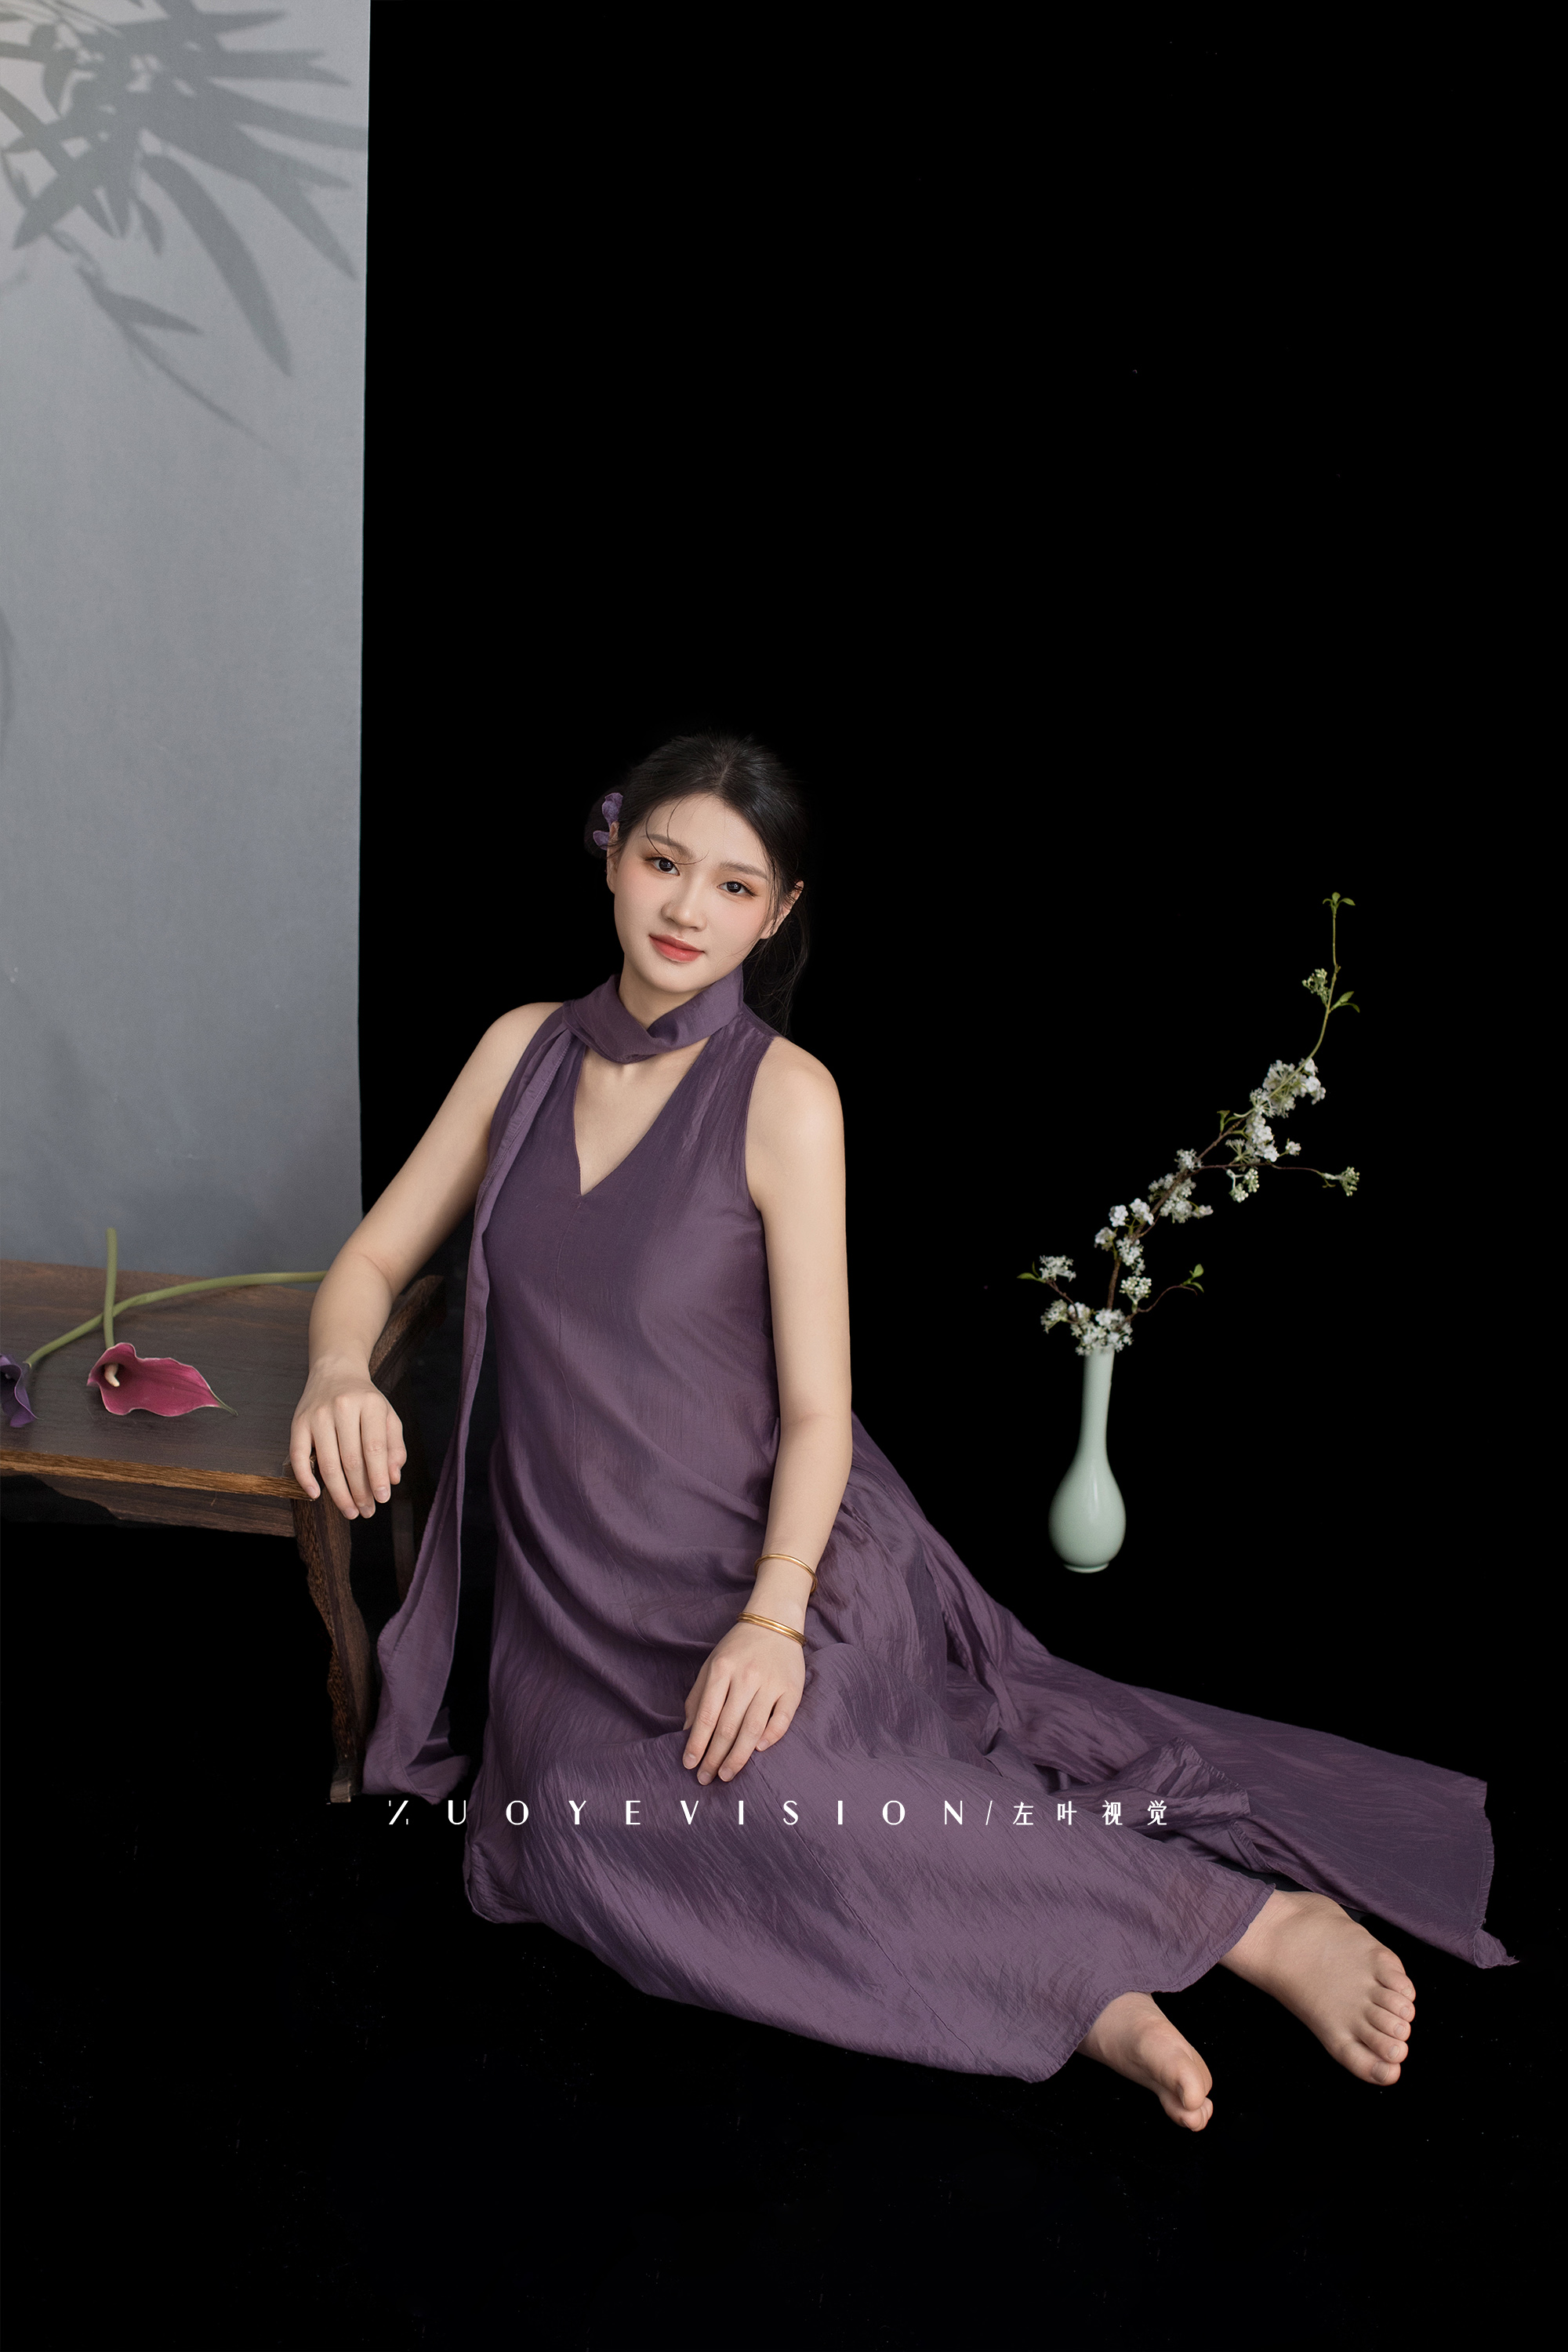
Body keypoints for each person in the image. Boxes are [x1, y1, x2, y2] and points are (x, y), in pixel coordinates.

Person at [289, 733, 1511, 2130]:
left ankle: (1237, 1926)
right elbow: (372, 1261)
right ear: (613, 857)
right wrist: (337, 1368)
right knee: (562, 1834)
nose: (687, 909)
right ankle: (1076, 1981)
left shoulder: (783, 1097)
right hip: (575, 1597)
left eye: (734, 886)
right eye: (664, 863)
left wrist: (772, 1620)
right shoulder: (521, 1049)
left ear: (780, 912)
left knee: (783, 1779)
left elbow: (821, 1411)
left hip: (774, 1550)